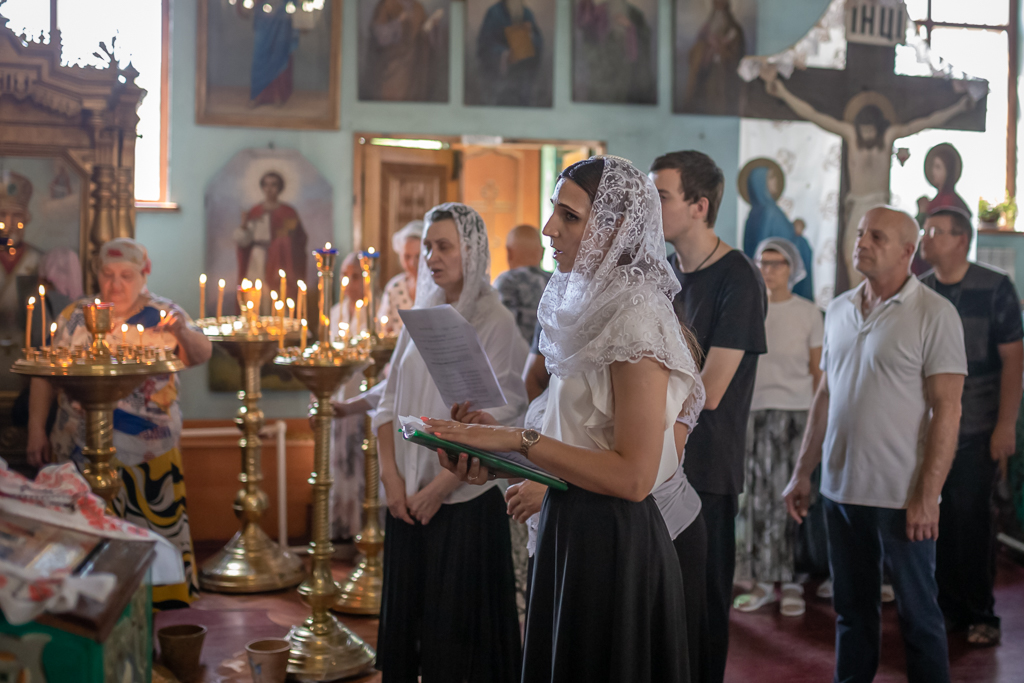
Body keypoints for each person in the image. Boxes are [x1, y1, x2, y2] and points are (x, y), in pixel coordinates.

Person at [430, 156, 705, 683]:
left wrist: (516, 438)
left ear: (614, 229)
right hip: (571, 526)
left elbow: (633, 477)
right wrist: (493, 458)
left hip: (612, 543)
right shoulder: (593, 308)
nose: (549, 228)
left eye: (569, 216)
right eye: (554, 211)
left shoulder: (635, 319)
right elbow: (579, 445)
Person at [783, 207, 966, 683]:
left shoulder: (935, 314)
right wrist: (803, 472)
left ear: (907, 251)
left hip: (901, 496)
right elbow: (826, 395)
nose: (861, 242)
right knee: (852, 613)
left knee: (918, 616)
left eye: (876, 237)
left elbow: (947, 408)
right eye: (860, 233)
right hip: (840, 492)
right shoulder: (839, 308)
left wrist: (927, 495)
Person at [373, 203, 528, 683]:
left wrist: (438, 489)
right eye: (427, 247)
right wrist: (391, 478)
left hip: (462, 500)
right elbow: (388, 401)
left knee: (458, 644)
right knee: (410, 628)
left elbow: (506, 415)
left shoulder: (494, 320)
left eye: (444, 246)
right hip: (406, 498)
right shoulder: (420, 314)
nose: (431, 257)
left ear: (472, 251)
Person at [26, 238, 213, 610]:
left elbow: (200, 354)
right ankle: (87, 607)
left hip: (149, 450)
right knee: (83, 532)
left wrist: (181, 332)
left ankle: (153, 604)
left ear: (144, 274)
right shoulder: (76, 315)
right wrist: (35, 428)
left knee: (152, 527)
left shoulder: (165, 314)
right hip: (77, 444)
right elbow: (44, 373)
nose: (115, 285)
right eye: (107, 274)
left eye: (126, 275)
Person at [649, 150, 767, 683]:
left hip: (707, 469)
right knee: (658, 606)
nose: (651, 207)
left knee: (700, 610)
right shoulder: (664, 274)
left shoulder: (739, 278)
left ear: (699, 206)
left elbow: (711, 390)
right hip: (655, 461)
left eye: (662, 196)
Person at [761, 69, 973, 288]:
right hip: (858, 209)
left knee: (884, 261)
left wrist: (958, 107)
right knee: (853, 258)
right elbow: (815, 115)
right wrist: (783, 93)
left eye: (871, 128)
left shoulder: (888, 137)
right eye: (864, 128)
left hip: (881, 207)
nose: (868, 133)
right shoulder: (851, 135)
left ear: (879, 125)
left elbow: (924, 122)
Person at [919, 207, 1023, 647]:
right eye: (925, 230)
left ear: (961, 240)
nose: (926, 238)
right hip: (928, 427)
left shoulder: (995, 287)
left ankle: (981, 613)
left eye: (936, 231)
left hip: (978, 423)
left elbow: (1014, 361)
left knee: (972, 520)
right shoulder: (920, 290)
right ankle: (946, 609)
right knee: (934, 519)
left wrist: (1006, 425)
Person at [733, 238, 821, 618]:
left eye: (777, 263)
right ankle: (764, 581)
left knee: (792, 500)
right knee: (756, 500)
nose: (768, 270)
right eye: (762, 262)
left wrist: (820, 426)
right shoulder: (747, 309)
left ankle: (794, 582)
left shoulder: (808, 313)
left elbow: (818, 374)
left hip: (796, 415)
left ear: (792, 268)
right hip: (754, 414)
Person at [325, 253, 370, 540]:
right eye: (345, 275)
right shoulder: (335, 312)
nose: (349, 282)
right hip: (339, 392)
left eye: (356, 276)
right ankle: (343, 530)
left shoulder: (374, 311)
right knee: (340, 461)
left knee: (365, 462)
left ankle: (365, 531)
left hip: (365, 394)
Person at [234, 171, 308, 309]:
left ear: (280, 188)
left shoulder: (288, 212)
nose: (269, 189)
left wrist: (284, 242)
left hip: (281, 260)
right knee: (257, 298)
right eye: (266, 185)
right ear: (262, 187)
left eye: (273, 185)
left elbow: (300, 239)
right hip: (258, 259)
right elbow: (243, 242)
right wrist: (244, 225)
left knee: (279, 296)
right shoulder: (255, 211)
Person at [573, 0, 655, 104]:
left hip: (627, 79)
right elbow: (585, 32)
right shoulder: (597, 13)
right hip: (599, 77)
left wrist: (630, 28)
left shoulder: (635, 14)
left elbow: (644, 41)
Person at [365, 0, 446, 101]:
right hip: (393, 64)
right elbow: (379, 34)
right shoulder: (387, 4)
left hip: (414, 66)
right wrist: (398, 22)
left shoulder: (418, 8)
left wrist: (433, 26)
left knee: (412, 97)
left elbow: (425, 34)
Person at [476, 0, 544, 106]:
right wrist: (505, 55)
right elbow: (485, 45)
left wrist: (530, 38)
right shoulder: (494, 13)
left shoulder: (527, 14)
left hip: (523, 83)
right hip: (499, 85)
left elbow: (538, 43)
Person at [493, 224, 550, 342]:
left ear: (509, 253)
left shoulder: (506, 282)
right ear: (542, 253)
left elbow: (499, 333)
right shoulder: (558, 281)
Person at [378, 220, 423, 336]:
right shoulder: (395, 287)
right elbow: (384, 327)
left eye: (418, 256)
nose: (413, 263)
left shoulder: (436, 287)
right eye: (407, 257)